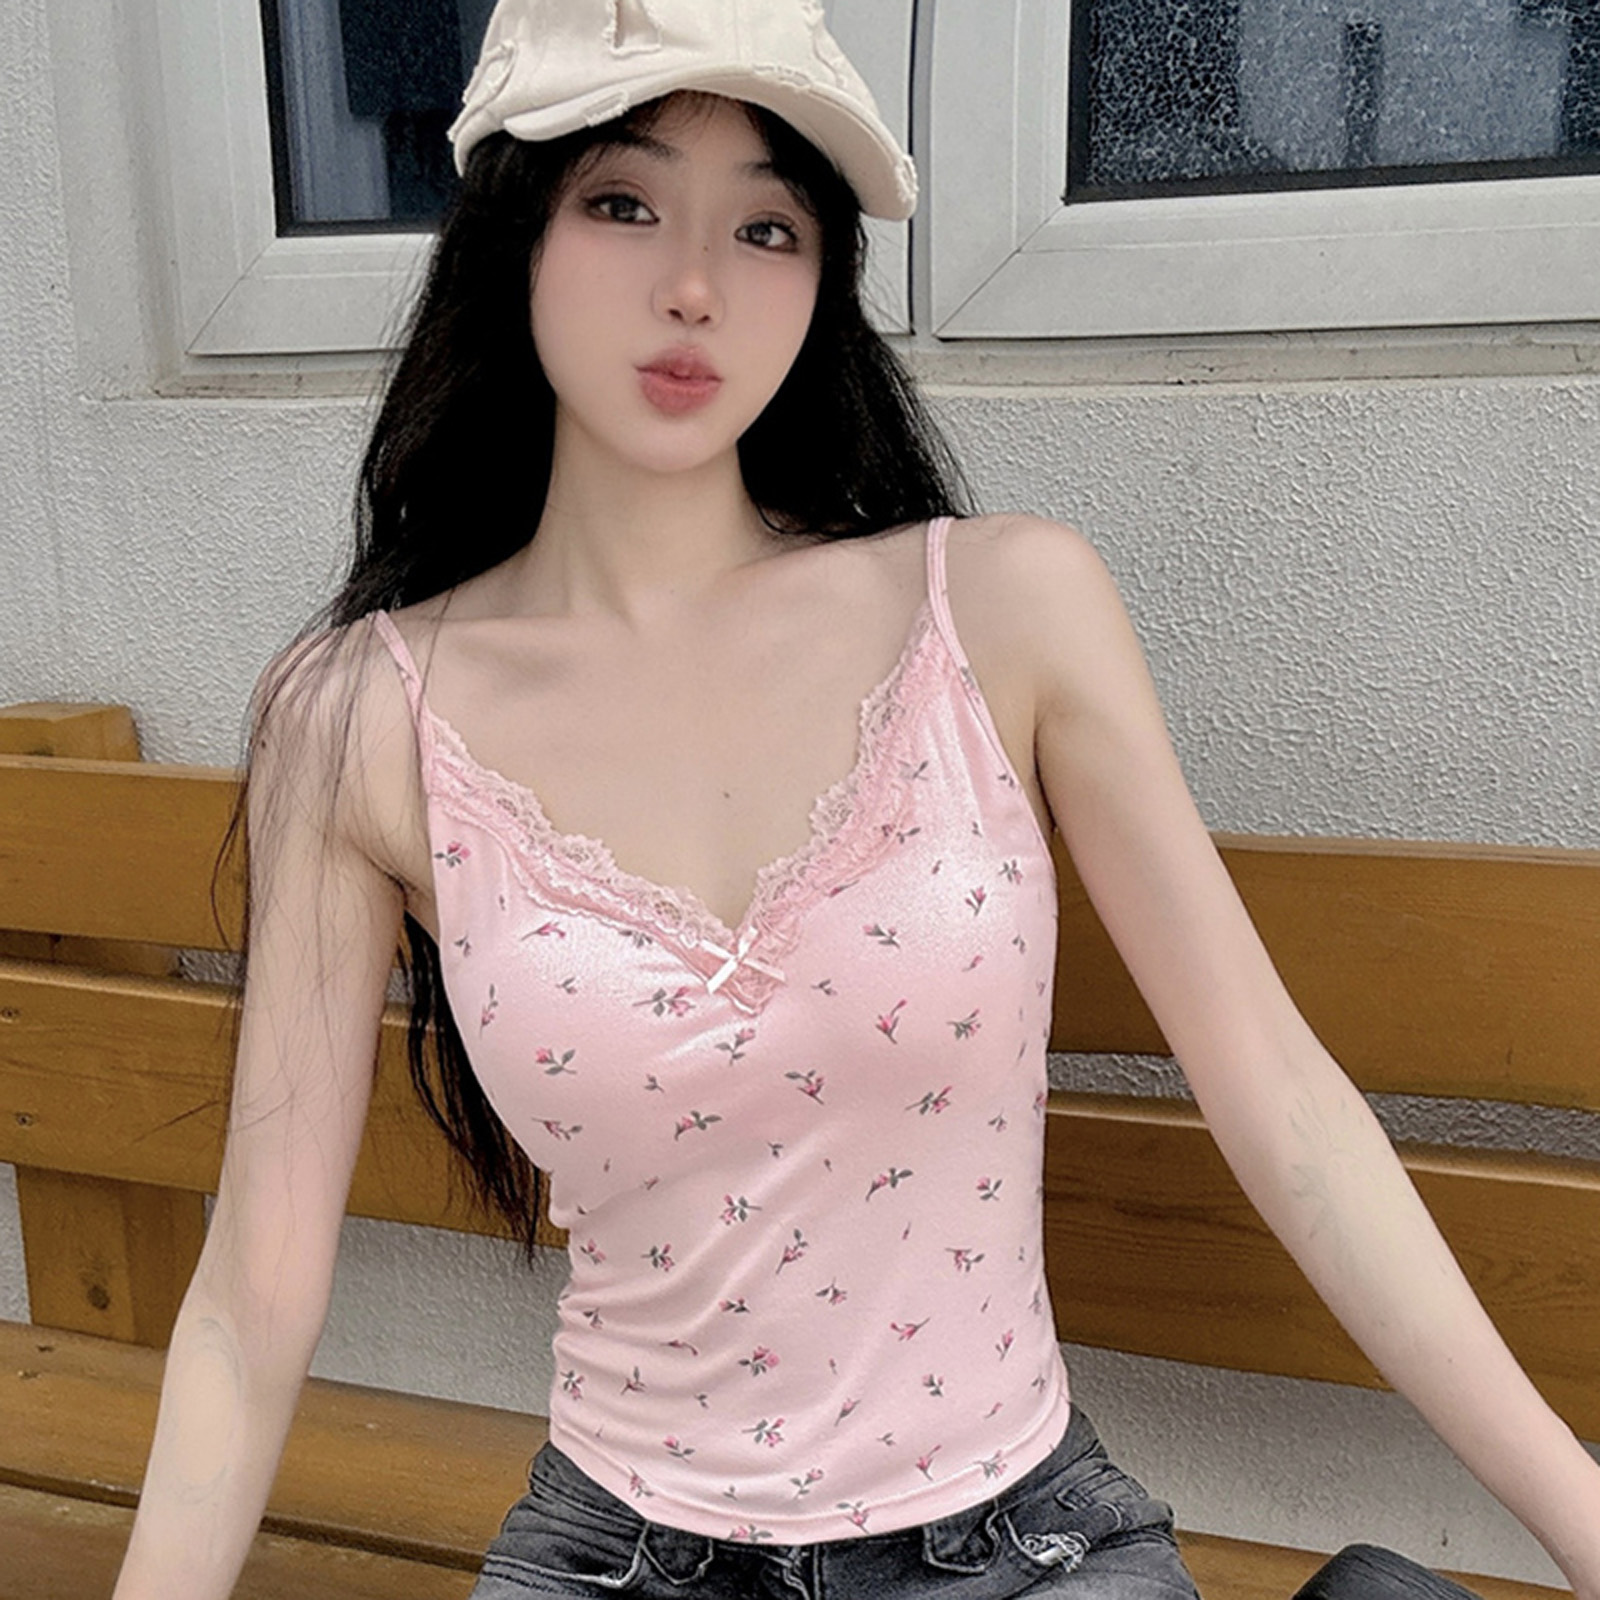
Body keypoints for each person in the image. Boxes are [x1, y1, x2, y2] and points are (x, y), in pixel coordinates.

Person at [112, 2, 1600, 1596]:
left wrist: (1582, 1520)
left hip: (1015, 1549)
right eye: (623, 201)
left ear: (823, 280)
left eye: (767, 226)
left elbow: (1285, 1109)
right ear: (512, 230)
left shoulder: (1003, 610)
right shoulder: (358, 717)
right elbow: (252, 1303)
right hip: (619, 1557)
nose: (696, 285)